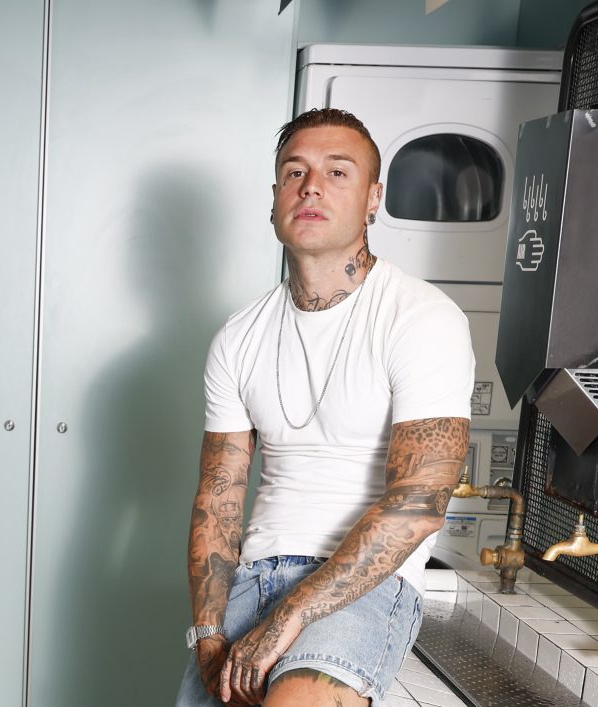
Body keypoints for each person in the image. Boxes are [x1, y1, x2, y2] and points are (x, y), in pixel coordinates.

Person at [177, 108, 475, 706]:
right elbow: (219, 497)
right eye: (295, 172)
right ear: (274, 199)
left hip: (366, 584)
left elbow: (418, 505)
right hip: (256, 573)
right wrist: (208, 633)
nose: (311, 186)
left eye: (338, 172)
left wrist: (292, 614)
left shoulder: (421, 318)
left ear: (373, 198)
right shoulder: (238, 336)